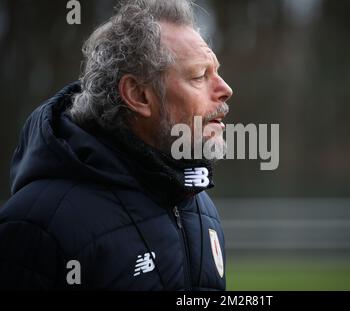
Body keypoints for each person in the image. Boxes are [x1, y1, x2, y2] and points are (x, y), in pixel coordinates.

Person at [0, 0, 232, 290]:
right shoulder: (36, 225)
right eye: (200, 76)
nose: (225, 90)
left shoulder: (199, 207)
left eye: (217, 72)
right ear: (138, 95)